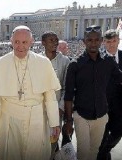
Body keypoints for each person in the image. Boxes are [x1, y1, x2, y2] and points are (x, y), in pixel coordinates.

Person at [0, 25, 61, 159]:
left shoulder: (43, 63)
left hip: (37, 119)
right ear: (11, 42)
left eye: (24, 42)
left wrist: (54, 123)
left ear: (31, 42)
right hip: (9, 119)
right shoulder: (0, 64)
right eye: (16, 42)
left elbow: (50, 97)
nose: (20, 46)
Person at [63, 25, 122, 160]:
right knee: (83, 153)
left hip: (101, 116)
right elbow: (68, 95)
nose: (93, 43)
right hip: (81, 116)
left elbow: (120, 78)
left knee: (94, 152)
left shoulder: (108, 61)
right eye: (90, 40)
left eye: (96, 40)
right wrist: (68, 120)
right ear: (84, 41)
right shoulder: (75, 64)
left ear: (101, 40)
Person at [41, 31, 71, 159]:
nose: (55, 43)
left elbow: (66, 87)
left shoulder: (65, 61)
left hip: (56, 110)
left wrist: (61, 107)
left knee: (53, 142)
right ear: (43, 43)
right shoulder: (36, 60)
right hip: (38, 109)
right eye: (51, 40)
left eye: (56, 40)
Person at [97, 29, 122, 159]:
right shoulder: (97, 59)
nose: (111, 44)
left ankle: (103, 152)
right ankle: (103, 155)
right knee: (102, 136)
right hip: (103, 106)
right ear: (104, 43)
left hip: (120, 107)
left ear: (118, 41)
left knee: (118, 133)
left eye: (114, 41)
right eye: (108, 41)